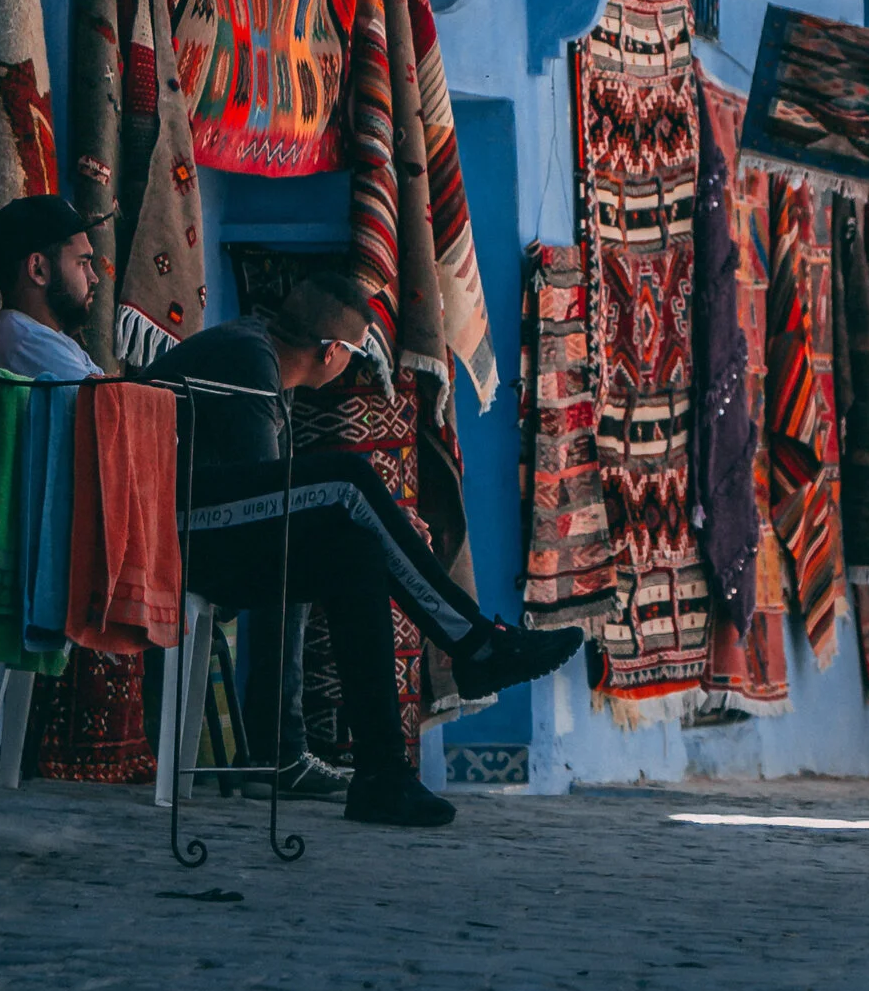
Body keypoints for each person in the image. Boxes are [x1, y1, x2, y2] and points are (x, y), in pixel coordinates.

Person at [140, 272, 581, 828]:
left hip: (198, 526)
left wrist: (379, 525)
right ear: (332, 353)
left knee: (355, 552)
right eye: (357, 353)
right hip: (167, 531)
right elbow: (270, 498)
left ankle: (382, 775)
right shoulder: (249, 359)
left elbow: (267, 501)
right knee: (350, 480)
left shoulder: (254, 353)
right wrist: (376, 513)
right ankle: (475, 644)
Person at [0, 196, 102, 379]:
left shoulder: (48, 337)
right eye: (82, 263)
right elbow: (102, 396)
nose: (94, 278)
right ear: (38, 269)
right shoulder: (24, 340)